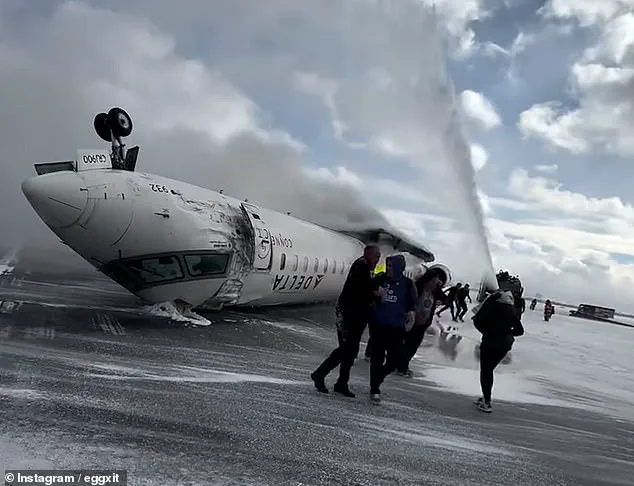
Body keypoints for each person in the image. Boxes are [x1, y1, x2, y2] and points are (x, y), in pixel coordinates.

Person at [310, 245, 383, 397]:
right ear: (368, 254)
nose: (378, 260)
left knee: (351, 349)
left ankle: (342, 382)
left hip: (355, 315)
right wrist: (379, 285)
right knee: (346, 348)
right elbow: (363, 290)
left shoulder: (365, 267)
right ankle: (320, 374)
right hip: (348, 314)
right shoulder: (361, 266)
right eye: (376, 256)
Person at [368, 254, 417, 404]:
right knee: (377, 359)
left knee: (394, 360)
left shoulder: (408, 284)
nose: (388, 269)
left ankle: (379, 376)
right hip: (378, 326)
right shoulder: (380, 279)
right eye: (387, 265)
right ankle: (374, 389)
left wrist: (411, 313)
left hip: (396, 328)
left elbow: (412, 304)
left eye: (391, 266)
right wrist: (375, 295)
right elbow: (367, 292)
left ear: (399, 268)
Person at [472, 290, 524, 413]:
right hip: (504, 345)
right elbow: (520, 331)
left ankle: (487, 401)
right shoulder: (511, 313)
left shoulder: (490, 310)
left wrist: (488, 332)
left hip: (489, 343)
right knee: (489, 370)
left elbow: (478, 322)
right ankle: (485, 396)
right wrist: (507, 333)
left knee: (486, 371)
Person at [398, 266, 449, 377]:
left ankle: (402, 365)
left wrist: (438, 288)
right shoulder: (416, 288)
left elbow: (446, 300)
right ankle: (401, 367)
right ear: (427, 279)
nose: (434, 284)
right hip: (411, 322)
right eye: (433, 281)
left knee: (413, 346)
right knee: (406, 345)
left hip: (422, 324)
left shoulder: (434, 292)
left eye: (436, 282)